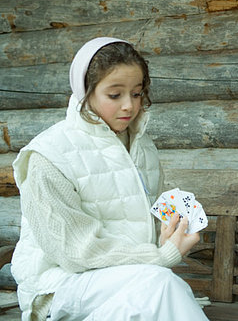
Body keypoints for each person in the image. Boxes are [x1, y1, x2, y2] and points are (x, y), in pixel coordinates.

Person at [11, 37, 210, 320]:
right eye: (115, 95)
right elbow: (74, 251)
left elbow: (137, 227)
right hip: (59, 288)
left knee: (158, 293)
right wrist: (161, 256)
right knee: (161, 287)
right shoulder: (49, 155)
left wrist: (164, 235)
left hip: (134, 279)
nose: (129, 106)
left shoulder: (143, 147)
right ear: (86, 92)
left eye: (137, 93)